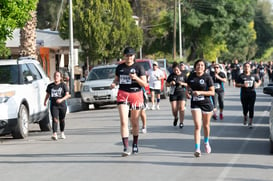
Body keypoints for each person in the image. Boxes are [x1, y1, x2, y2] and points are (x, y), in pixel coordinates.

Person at [110, 47, 147, 157]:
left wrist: (136, 77)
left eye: (131, 55)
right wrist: (114, 83)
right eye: (127, 55)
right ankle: (126, 147)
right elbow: (116, 79)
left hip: (136, 95)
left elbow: (144, 84)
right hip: (123, 94)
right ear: (124, 56)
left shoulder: (139, 67)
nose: (129, 57)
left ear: (134, 56)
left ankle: (135, 144)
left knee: (134, 123)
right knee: (123, 122)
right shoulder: (120, 67)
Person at [186, 59, 215, 157]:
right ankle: (197, 149)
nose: (200, 67)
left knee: (206, 125)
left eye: (202, 65)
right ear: (195, 67)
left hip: (206, 103)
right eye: (198, 65)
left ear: (205, 67)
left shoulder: (208, 77)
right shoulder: (191, 76)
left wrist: (200, 92)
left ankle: (206, 142)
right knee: (198, 126)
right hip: (195, 103)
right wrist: (187, 93)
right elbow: (188, 86)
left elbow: (212, 92)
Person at [44, 71, 71, 140]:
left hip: (62, 105)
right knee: (55, 119)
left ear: (60, 78)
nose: (56, 77)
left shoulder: (63, 85)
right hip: (54, 105)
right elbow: (47, 94)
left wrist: (61, 99)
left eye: (57, 76)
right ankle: (54, 133)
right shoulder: (50, 86)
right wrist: (45, 101)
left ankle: (62, 132)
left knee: (62, 119)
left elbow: (68, 95)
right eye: (55, 76)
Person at [235, 62, 261, 128]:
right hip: (244, 94)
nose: (247, 68)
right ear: (243, 68)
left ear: (250, 68)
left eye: (248, 66)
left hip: (252, 93)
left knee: (251, 107)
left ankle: (250, 122)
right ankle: (245, 116)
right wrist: (243, 85)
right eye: (245, 66)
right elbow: (236, 84)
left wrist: (257, 85)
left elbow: (259, 81)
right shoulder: (241, 76)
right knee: (245, 107)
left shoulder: (254, 75)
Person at [166, 62, 188, 128]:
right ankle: (176, 117)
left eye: (177, 70)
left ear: (179, 69)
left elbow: (188, 84)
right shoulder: (171, 75)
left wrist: (182, 83)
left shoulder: (184, 75)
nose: (176, 71)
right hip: (173, 93)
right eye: (174, 70)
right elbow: (166, 84)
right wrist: (170, 83)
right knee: (174, 109)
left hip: (182, 92)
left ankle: (181, 122)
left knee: (181, 108)